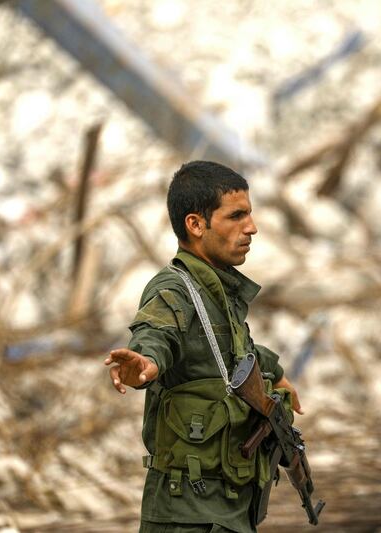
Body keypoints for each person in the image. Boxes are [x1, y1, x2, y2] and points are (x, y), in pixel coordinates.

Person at [104, 161, 303, 533]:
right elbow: (155, 334)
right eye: (236, 216)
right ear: (196, 225)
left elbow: (235, 353)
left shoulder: (218, 291)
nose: (252, 227)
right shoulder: (174, 290)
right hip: (189, 514)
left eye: (250, 214)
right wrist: (144, 364)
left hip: (225, 510)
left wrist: (275, 373)